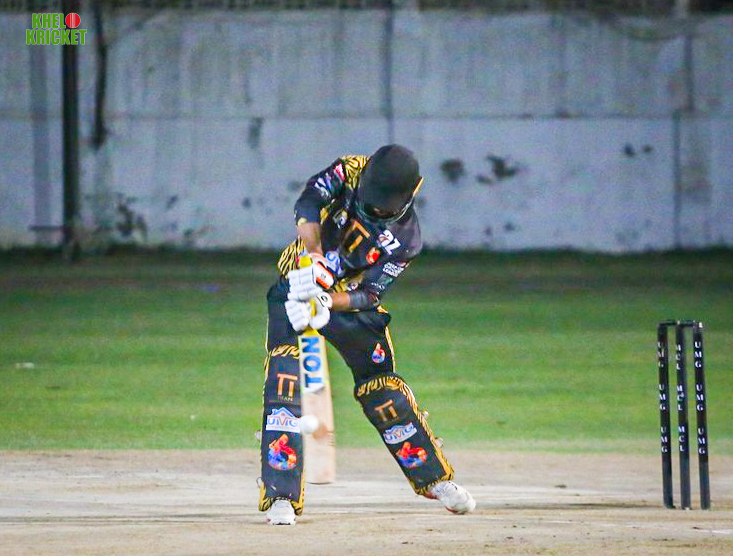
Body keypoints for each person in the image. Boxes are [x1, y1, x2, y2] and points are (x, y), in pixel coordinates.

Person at [258, 145, 475, 525]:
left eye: (384, 207)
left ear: (411, 193)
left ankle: (434, 479)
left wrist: (328, 301)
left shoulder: (407, 240)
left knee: (382, 386)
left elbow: (370, 293)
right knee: (284, 379)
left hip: (345, 306)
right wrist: (314, 256)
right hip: (298, 287)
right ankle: (281, 497)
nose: (375, 208)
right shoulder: (350, 170)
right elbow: (309, 201)